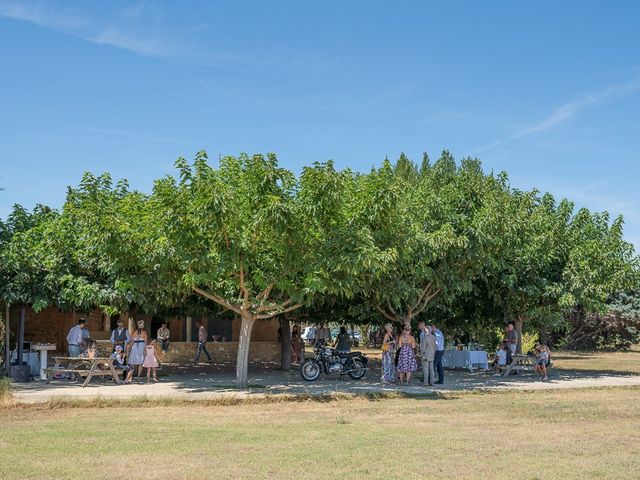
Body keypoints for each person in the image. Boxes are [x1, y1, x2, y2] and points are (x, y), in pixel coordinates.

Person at [418, 321, 436, 386]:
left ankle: (425, 382)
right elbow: (435, 347)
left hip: (425, 355)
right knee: (431, 369)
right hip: (432, 355)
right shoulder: (433, 337)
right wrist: (433, 352)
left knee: (425, 369)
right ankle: (432, 382)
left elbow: (422, 348)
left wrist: (421, 353)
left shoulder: (425, 337)